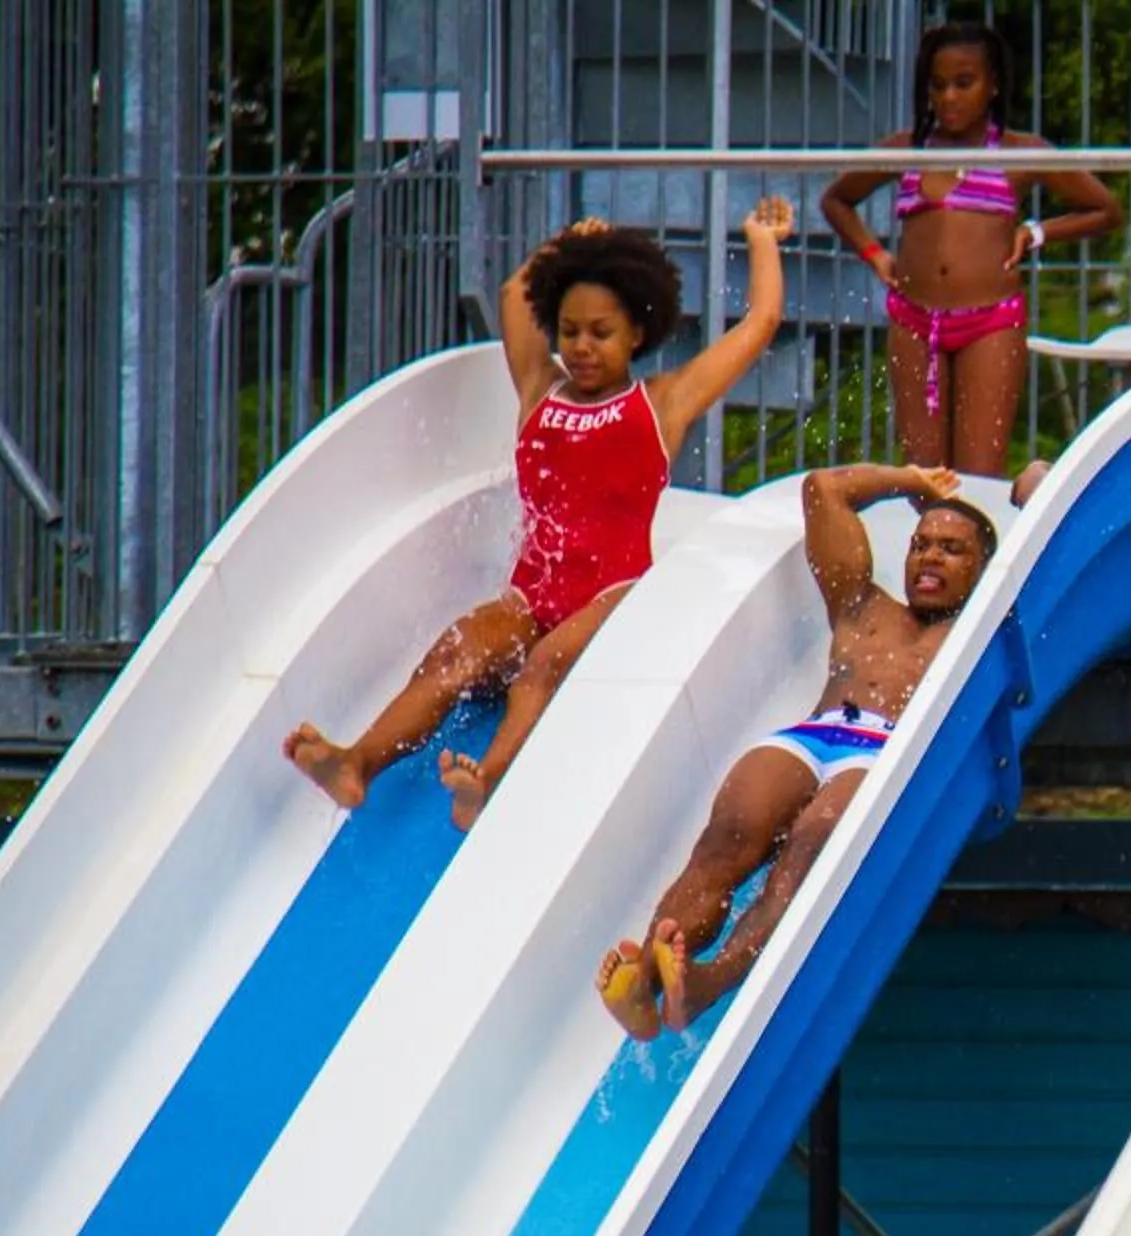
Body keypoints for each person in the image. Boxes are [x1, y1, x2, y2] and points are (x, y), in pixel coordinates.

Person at [285, 202, 792, 830]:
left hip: (615, 592)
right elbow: (511, 294)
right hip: (531, 594)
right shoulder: (538, 388)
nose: (580, 347)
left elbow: (762, 321)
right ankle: (357, 763)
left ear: (637, 332)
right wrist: (566, 244)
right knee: (458, 650)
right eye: (570, 330)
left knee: (541, 669)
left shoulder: (661, 403)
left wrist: (762, 240)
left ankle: (488, 781)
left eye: (600, 333)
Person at [596, 464, 996, 1038]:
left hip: (882, 751)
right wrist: (910, 482)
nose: (929, 557)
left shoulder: (977, 633)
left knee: (807, 848)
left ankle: (709, 982)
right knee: (726, 838)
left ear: (984, 570)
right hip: (816, 732)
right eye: (920, 544)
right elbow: (824, 492)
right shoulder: (862, 605)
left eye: (952, 550)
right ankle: (644, 986)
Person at [820, 23, 1122, 473]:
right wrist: (874, 254)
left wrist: (1036, 232)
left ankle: (982, 544)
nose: (949, 98)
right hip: (915, 320)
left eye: (964, 84)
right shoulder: (909, 149)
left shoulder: (1017, 152)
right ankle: (925, 542)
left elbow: (1104, 210)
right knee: (921, 473)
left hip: (990, 321)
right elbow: (836, 201)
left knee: (979, 472)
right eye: (938, 86)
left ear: (993, 85)